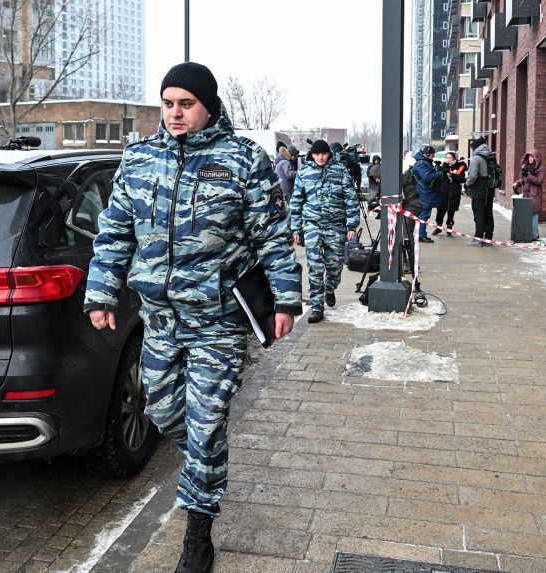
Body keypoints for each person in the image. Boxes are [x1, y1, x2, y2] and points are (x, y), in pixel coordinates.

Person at [84, 62, 302, 573]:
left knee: (204, 427)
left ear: (208, 106)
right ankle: (206, 461)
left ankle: (198, 533)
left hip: (217, 322)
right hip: (160, 321)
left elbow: (273, 236)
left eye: (186, 104)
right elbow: (114, 234)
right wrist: (101, 295)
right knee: (162, 412)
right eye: (168, 103)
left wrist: (287, 301)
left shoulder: (243, 159)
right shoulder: (139, 160)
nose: (175, 113)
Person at [290, 139, 360, 324]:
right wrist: (295, 228)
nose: (320, 157)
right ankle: (317, 307)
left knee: (335, 267)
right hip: (312, 226)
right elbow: (296, 202)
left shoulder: (340, 170)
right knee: (315, 268)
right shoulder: (304, 173)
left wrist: (352, 225)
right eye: (317, 154)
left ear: (329, 154)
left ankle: (330, 287)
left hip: (335, 226)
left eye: (323, 153)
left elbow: (351, 199)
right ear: (312, 155)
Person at [464, 136, 496, 246]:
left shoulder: (476, 158)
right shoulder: (491, 156)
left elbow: (472, 176)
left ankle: (478, 238)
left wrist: (467, 184)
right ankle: (488, 237)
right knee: (488, 213)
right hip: (490, 189)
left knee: (479, 214)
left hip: (479, 189)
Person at [412, 144, 444, 243]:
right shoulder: (421, 164)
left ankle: (421, 234)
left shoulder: (424, 162)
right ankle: (421, 235)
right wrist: (440, 174)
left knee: (424, 214)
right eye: (433, 155)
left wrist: (436, 168)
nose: (433, 157)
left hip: (426, 193)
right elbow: (427, 177)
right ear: (428, 154)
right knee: (424, 215)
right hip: (424, 193)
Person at [433, 151, 466, 237]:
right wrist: (443, 169)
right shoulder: (444, 166)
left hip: (454, 192)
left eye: (450, 158)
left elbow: (461, 179)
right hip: (443, 192)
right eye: (447, 158)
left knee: (451, 212)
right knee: (440, 211)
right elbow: (439, 177)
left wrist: (452, 175)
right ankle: (438, 227)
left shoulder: (460, 166)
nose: (448, 159)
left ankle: (449, 228)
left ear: (454, 158)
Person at [514, 149, 545, 240]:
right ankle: (528, 234)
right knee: (527, 215)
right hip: (526, 194)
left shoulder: (541, 169)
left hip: (535, 195)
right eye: (529, 157)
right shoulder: (527, 167)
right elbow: (525, 180)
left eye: (532, 157)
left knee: (534, 215)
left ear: (537, 158)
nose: (530, 159)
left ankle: (534, 235)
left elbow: (539, 181)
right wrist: (517, 183)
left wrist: (528, 175)